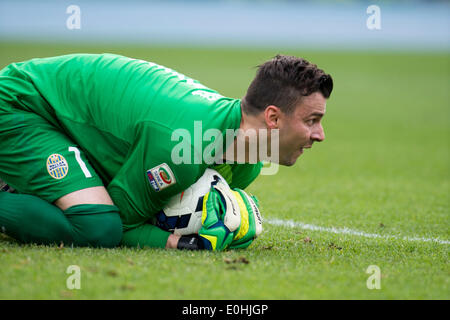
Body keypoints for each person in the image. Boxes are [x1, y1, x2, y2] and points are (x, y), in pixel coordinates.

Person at [0, 53, 332, 250]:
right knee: (99, 227)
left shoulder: (248, 165)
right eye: (312, 120)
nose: (320, 135)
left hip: (66, 123)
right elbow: (126, 222)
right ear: (273, 117)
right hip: (20, 105)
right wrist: (179, 243)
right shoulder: (183, 146)